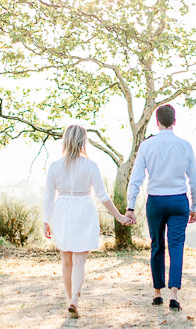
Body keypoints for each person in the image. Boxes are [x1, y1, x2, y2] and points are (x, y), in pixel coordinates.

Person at [44, 124, 132, 318]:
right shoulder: (90, 166)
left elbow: (49, 197)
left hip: (63, 211)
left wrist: (45, 221)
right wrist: (119, 216)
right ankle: (75, 299)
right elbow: (103, 196)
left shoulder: (55, 166)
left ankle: (71, 301)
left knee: (66, 260)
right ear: (83, 141)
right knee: (80, 260)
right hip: (84, 209)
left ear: (65, 140)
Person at [126, 104, 196, 312]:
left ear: (157, 122)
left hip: (156, 201)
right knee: (176, 246)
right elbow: (195, 181)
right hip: (179, 200)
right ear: (174, 122)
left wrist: (130, 206)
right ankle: (174, 294)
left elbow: (136, 178)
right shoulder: (185, 145)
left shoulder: (147, 146)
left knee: (157, 245)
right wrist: (194, 205)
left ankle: (157, 292)